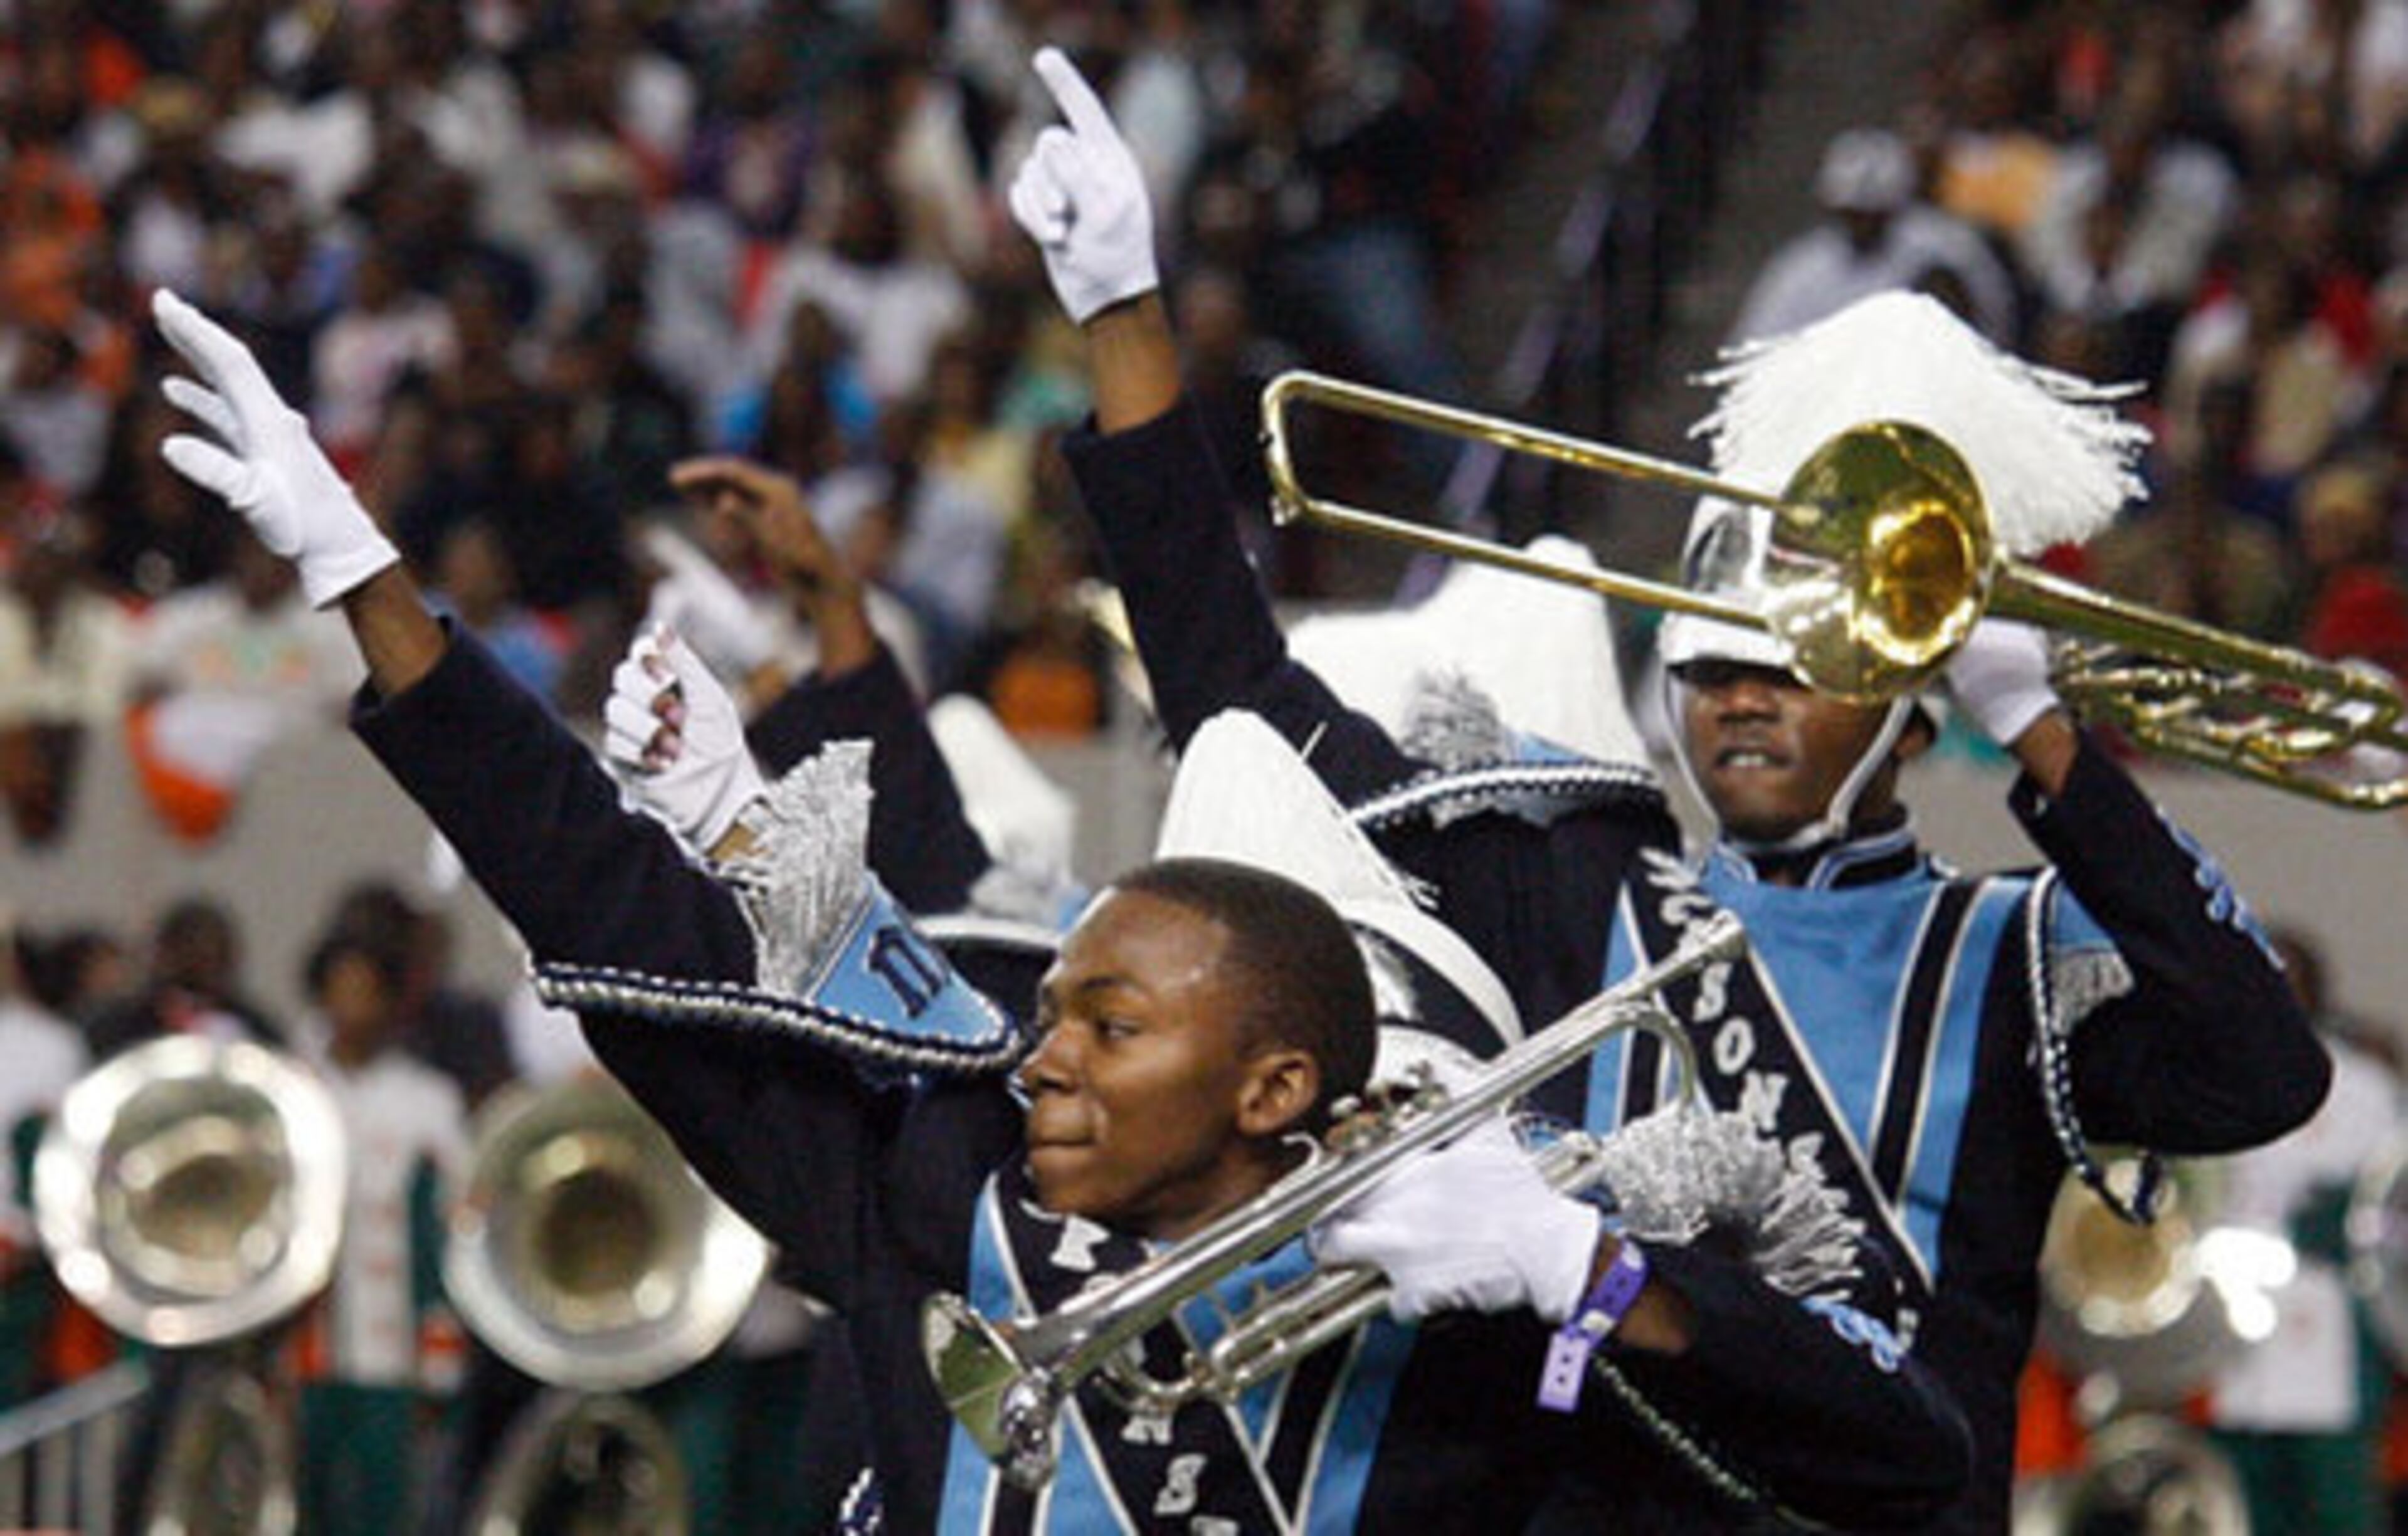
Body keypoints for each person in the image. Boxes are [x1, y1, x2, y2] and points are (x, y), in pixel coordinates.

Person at [145, 285, 1973, 1532]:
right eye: (1068, 1005)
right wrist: (369, 583)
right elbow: (622, 914)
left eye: (1112, 1022)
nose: (1048, 1053)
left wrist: (1598, 1277)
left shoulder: (1459, 1314)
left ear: (1278, 1090)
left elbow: (1903, 1467)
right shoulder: (937, 1196)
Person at [1006, 46, 2332, 1534]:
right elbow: (1241, 703)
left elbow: (2262, 1069)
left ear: (1907, 706)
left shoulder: (2005, 956)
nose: (1741, 696)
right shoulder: (1571, 876)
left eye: (1788, 668)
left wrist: (2037, 727)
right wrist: (1126, 322)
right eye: (1707, 672)